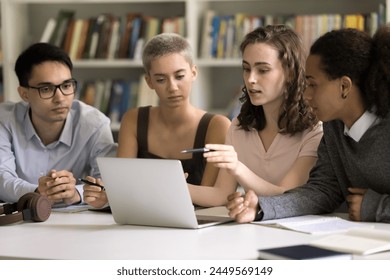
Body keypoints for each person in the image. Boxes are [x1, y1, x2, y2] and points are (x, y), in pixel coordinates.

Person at [227, 25, 390, 223]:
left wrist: (376, 207)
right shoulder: (333, 127)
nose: (305, 94)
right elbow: (322, 190)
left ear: (344, 87)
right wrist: (261, 208)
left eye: (312, 84)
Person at [83, 33, 231, 208]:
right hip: (142, 222)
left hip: (198, 226)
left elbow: (211, 200)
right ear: (149, 82)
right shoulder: (133, 120)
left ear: (193, 73)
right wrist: (106, 197)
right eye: (161, 79)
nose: (172, 87)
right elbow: (123, 188)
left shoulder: (218, 126)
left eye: (179, 76)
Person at [188, 25, 323, 207]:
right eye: (246, 68)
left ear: (291, 73)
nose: (251, 79)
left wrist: (237, 168)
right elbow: (220, 195)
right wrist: (178, 186)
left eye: (263, 70)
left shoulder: (315, 129)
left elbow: (289, 196)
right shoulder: (238, 126)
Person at [0, 42, 117, 205]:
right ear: (24, 94)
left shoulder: (94, 124)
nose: (60, 98)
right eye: (46, 89)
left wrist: (76, 192)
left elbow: (108, 183)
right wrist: (37, 192)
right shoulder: (4, 120)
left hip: (73, 222)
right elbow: (2, 177)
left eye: (66, 85)